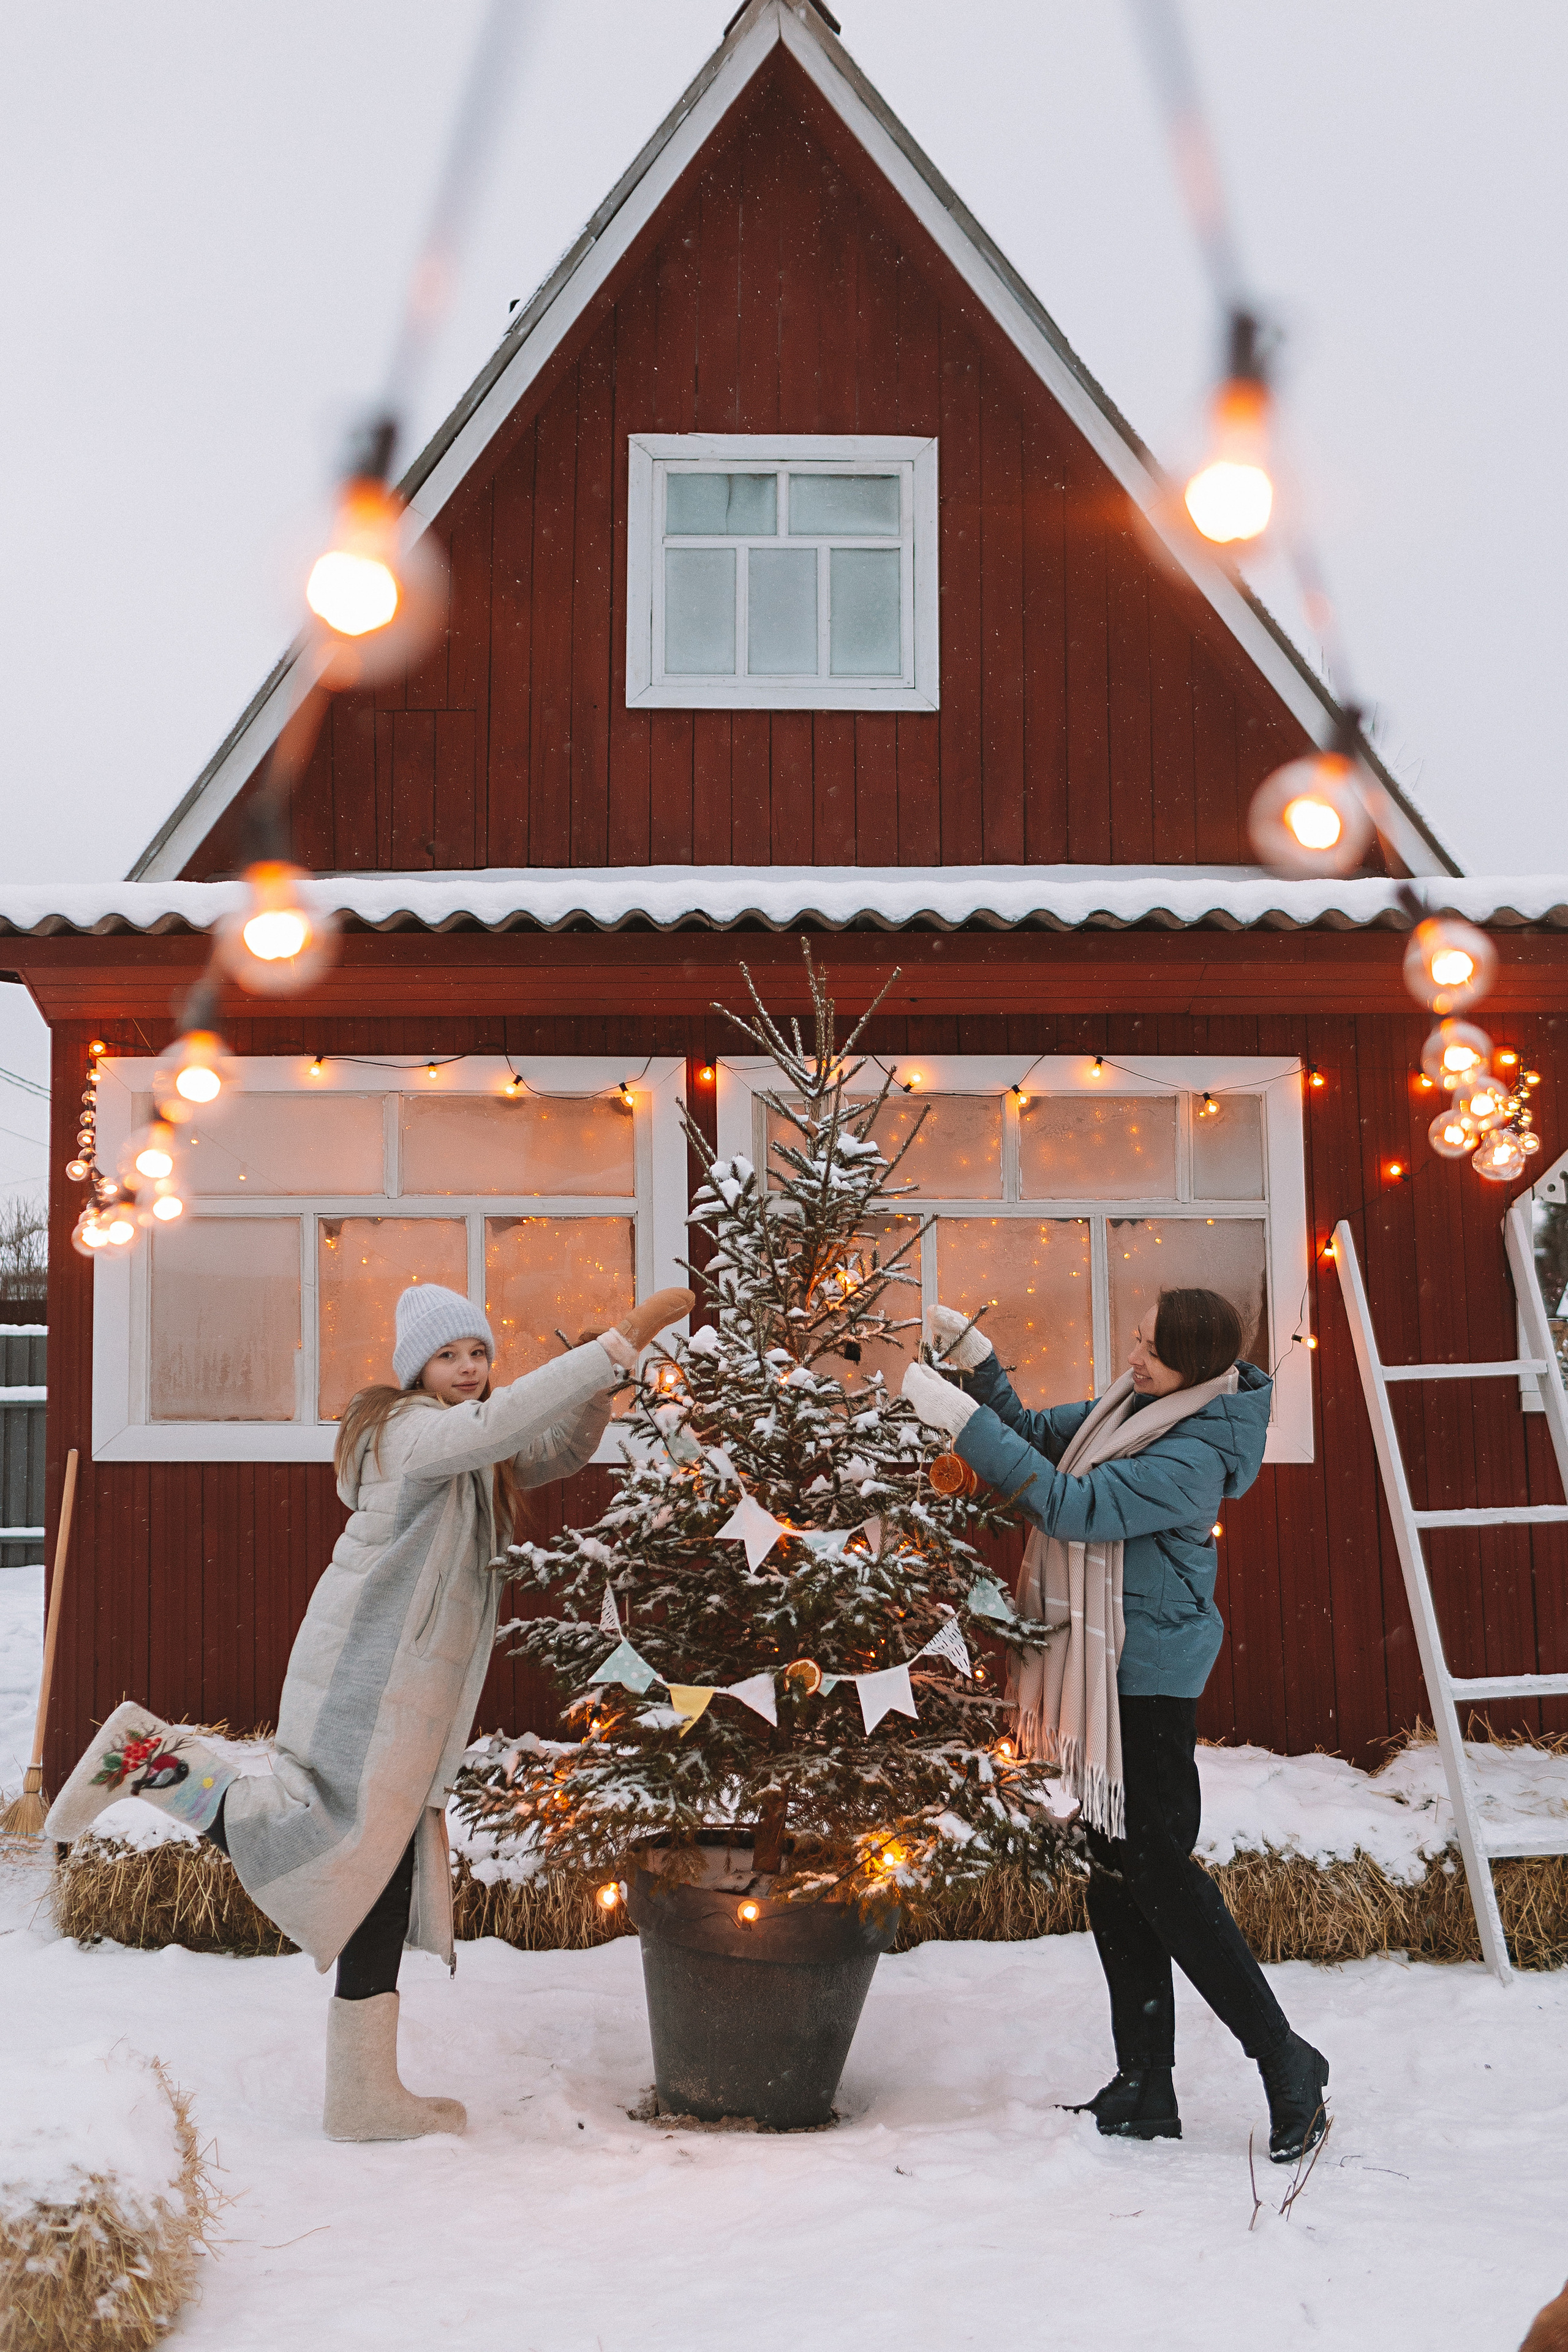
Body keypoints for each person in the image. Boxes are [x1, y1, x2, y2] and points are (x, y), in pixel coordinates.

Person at [48, 1280, 693, 2142]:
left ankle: (364, 2092)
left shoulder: (463, 1448)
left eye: (477, 1355)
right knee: (324, 1835)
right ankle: (152, 1763)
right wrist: (612, 1348)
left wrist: (598, 1395)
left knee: (380, 1870)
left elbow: (549, 1452)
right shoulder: (405, 1433)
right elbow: (497, 1428)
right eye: (448, 1356)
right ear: (414, 1369)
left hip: (405, 1685)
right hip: (365, 1673)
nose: (468, 1369)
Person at [902, 1286, 1330, 2163]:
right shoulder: (1128, 1408)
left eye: (1153, 1352)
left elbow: (1073, 1509)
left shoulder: (1198, 1450)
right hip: (1103, 1670)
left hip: (1146, 1680)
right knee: (1115, 1870)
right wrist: (980, 1367)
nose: (1135, 1359)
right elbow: (1036, 1436)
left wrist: (958, 1426)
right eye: (1137, 1341)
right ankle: (1146, 2083)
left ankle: (1287, 2058)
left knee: (1160, 1872)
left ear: (1197, 1369)